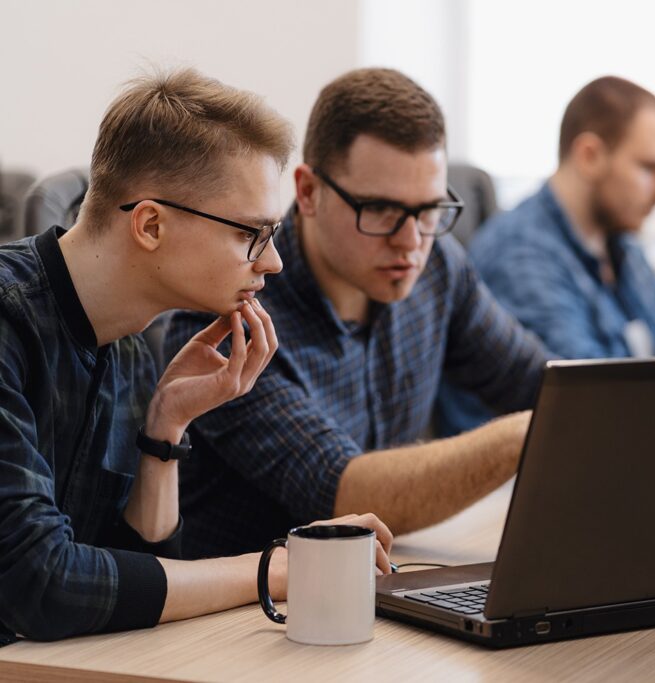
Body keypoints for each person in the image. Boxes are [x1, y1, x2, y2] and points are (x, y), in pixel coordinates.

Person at [0, 69, 392, 643]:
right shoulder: (9, 322)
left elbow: (129, 579)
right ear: (151, 224)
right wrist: (277, 566)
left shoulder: (129, 344)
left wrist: (165, 430)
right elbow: (43, 586)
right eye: (251, 235)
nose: (273, 262)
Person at [163, 68, 549, 559]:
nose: (411, 242)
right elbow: (345, 496)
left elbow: (543, 382)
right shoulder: (227, 313)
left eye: (429, 210)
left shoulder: (437, 270)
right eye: (382, 210)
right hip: (245, 614)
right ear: (308, 192)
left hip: (367, 588)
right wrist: (526, 433)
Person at [436, 76, 655, 434]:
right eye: (650, 168)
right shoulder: (521, 257)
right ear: (589, 156)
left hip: (623, 445)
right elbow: (594, 401)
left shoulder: (619, 243)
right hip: (533, 471)